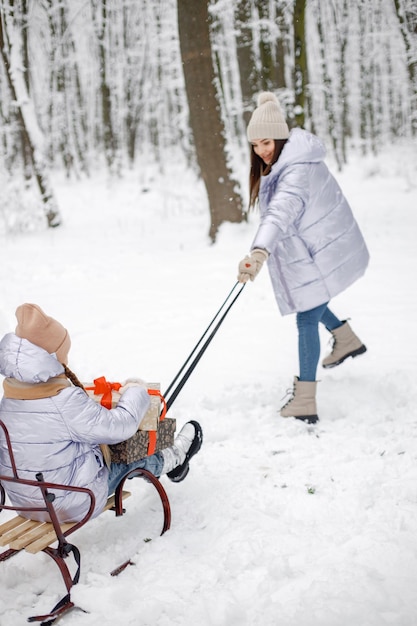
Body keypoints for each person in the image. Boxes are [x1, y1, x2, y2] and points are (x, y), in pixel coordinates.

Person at [0, 303, 203, 523]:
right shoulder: (63, 401)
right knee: (129, 455)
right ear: (52, 357)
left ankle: (171, 455)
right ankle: (176, 459)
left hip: (25, 503)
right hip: (70, 503)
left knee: (101, 446)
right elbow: (121, 426)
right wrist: (136, 391)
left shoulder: (10, 398)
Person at [237, 92, 369, 424]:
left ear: (280, 137)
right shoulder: (290, 162)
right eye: (255, 145)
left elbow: (281, 211)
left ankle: (305, 401)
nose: (260, 151)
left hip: (316, 251)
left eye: (266, 142)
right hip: (313, 249)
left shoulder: (295, 170)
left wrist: (258, 251)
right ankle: (345, 338)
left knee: (306, 318)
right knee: (311, 300)